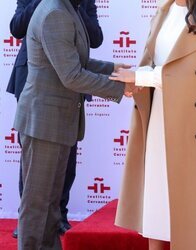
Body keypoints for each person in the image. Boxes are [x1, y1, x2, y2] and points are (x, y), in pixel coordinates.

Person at [110, 0, 196, 250]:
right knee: (156, 199)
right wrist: (135, 80)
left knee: (192, 213)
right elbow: (156, 65)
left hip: (193, 128)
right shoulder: (163, 13)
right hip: (158, 118)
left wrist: (140, 77)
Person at [12, 0, 134, 248]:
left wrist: (113, 69)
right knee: (38, 203)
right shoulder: (55, 12)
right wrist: (121, 87)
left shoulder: (68, 8)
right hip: (43, 123)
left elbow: (76, 59)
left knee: (51, 203)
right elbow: (72, 75)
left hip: (55, 121)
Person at [7, 0, 105, 238]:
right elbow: (16, 27)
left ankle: (56, 217)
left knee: (65, 158)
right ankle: (30, 220)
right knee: (36, 164)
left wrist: (76, 7)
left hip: (69, 81)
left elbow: (95, 38)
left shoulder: (80, 4)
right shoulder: (49, 8)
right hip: (36, 81)